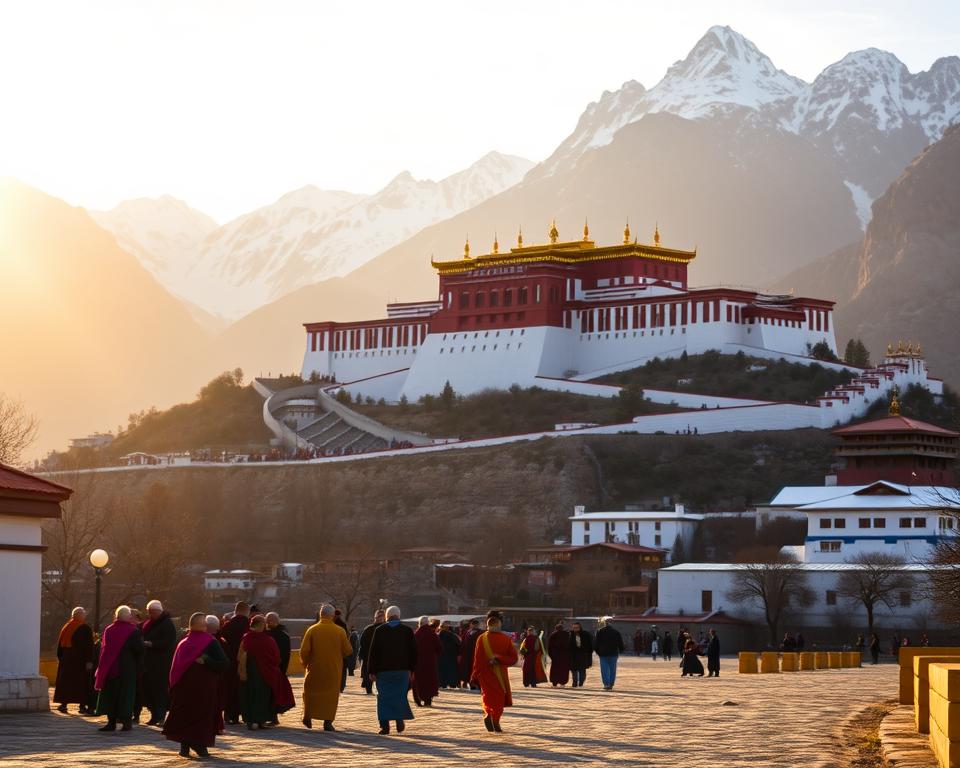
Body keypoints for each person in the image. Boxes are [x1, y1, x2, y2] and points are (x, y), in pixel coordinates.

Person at [162, 612, 230, 759]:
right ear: (203, 625)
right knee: (199, 717)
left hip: (185, 689)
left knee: (186, 715)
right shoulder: (209, 642)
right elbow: (224, 664)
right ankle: (198, 747)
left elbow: (174, 669)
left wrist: (206, 660)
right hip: (201, 690)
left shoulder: (183, 642)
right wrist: (207, 661)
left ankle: (186, 747)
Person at [299, 603, 353, 731]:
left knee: (310, 693)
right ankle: (327, 722)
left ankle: (308, 716)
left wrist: (305, 663)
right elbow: (348, 650)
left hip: (314, 669)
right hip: (333, 669)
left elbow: (304, 651)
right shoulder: (339, 631)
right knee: (330, 696)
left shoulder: (312, 630)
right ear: (333, 616)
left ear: (320, 614)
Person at [367, 605, 417, 735]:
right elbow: (413, 652)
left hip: (383, 671)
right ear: (399, 616)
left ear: (386, 617)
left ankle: (385, 726)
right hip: (402, 671)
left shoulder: (379, 630)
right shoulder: (407, 631)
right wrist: (412, 669)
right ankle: (399, 719)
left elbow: (373, 652)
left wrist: (371, 671)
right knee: (399, 696)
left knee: (383, 698)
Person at [238, 614, 295, 730]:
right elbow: (276, 658)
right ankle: (261, 720)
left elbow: (239, 656)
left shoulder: (246, 638)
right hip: (266, 674)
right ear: (261, 625)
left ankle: (251, 720)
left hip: (250, 673)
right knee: (263, 697)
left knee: (250, 695)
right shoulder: (268, 640)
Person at [94, 605, 144, 732]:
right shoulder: (133, 631)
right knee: (126, 696)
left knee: (111, 695)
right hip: (127, 669)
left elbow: (104, 649)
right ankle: (126, 723)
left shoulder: (109, 629)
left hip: (110, 668)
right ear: (128, 617)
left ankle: (111, 722)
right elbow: (139, 650)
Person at [471, 610, 519, 733]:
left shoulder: (481, 638)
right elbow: (514, 658)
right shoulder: (505, 639)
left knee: (487, 696)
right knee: (499, 698)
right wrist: (499, 659)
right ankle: (495, 719)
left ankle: (488, 713)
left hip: (484, 673)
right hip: (499, 674)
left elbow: (477, 658)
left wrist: (474, 674)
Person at [140, 599, 177, 727]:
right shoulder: (148, 623)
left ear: (159, 611)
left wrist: (152, 644)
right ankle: (154, 715)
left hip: (161, 663)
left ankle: (160, 715)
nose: (151, 614)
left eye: (153, 612)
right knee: (149, 689)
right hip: (149, 662)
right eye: (149, 612)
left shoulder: (167, 624)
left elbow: (169, 642)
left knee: (159, 690)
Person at [54, 606, 95, 714]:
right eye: (83, 614)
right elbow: (89, 646)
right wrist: (89, 661)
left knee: (66, 684)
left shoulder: (66, 627)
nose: (84, 616)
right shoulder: (84, 628)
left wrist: (61, 659)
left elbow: (59, 646)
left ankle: (63, 704)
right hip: (80, 662)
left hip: (66, 660)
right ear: (79, 615)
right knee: (81, 684)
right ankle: (82, 706)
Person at [220, 601, 251, 724]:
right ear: (247, 611)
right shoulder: (249, 625)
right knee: (244, 688)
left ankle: (229, 715)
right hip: (246, 662)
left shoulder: (227, 626)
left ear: (236, 611)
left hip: (230, 662)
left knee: (230, 688)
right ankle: (244, 713)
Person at [412, 616, 443, 707]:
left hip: (418, 663)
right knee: (429, 681)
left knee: (418, 681)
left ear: (419, 623)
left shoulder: (415, 635)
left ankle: (418, 700)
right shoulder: (433, 634)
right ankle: (428, 701)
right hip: (430, 663)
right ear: (428, 623)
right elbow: (439, 648)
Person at [358, 609, 386, 695]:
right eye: (379, 616)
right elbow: (362, 644)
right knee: (368, 679)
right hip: (368, 657)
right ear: (375, 617)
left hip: (382, 659)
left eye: (382, 616)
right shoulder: (368, 629)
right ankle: (369, 690)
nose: (380, 618)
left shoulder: (387, 629)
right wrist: (362, 656)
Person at [594, 617, 624, 691]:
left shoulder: (600, 631)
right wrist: (621, 650)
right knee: (612, 669)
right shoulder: (616, 632)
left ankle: (606, 684)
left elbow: (596, 644)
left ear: (605, 624)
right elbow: (620, 643)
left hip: (603, 654)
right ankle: (611, 684)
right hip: (613, 653)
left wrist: (598, 652)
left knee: (604, 669)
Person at [569, 621, 593, 688]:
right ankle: (574, 682)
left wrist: (588, 653)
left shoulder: (585, 634)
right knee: (574, 670)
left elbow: (590, 645)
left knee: (582, 670)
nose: (575, 629)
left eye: (577, 627)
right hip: (573, 655)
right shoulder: (570, 635)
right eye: (574, 627)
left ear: (580, 627)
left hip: (583, 655)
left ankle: (581, 682)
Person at [438, 621, 462, 689]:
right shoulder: (454, 636)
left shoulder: (437, 636)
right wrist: (459, 654)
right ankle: (452, 684)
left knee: (442, 671)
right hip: (452, 657)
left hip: (441, 657)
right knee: (452, 671)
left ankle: (442, 683)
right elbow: (459, 646)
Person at [460, 619, 483, 689]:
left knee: (474, 668)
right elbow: (463, 642)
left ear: (478, 625)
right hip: (467, 654)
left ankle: (475, 683)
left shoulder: (481, 633)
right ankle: (466, 681)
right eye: (473, 624)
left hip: (475, 654)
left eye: (476, 624)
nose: (474, 626)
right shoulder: (467, 632)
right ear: (471, 625)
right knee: (466, 669)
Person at [334, 609, 350, 693]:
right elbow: (346, 638)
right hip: (343, 652)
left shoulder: (333, 624)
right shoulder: (343, 625)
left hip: (336, 652)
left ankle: (338, 686)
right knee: (343, 671)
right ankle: (341, 686)